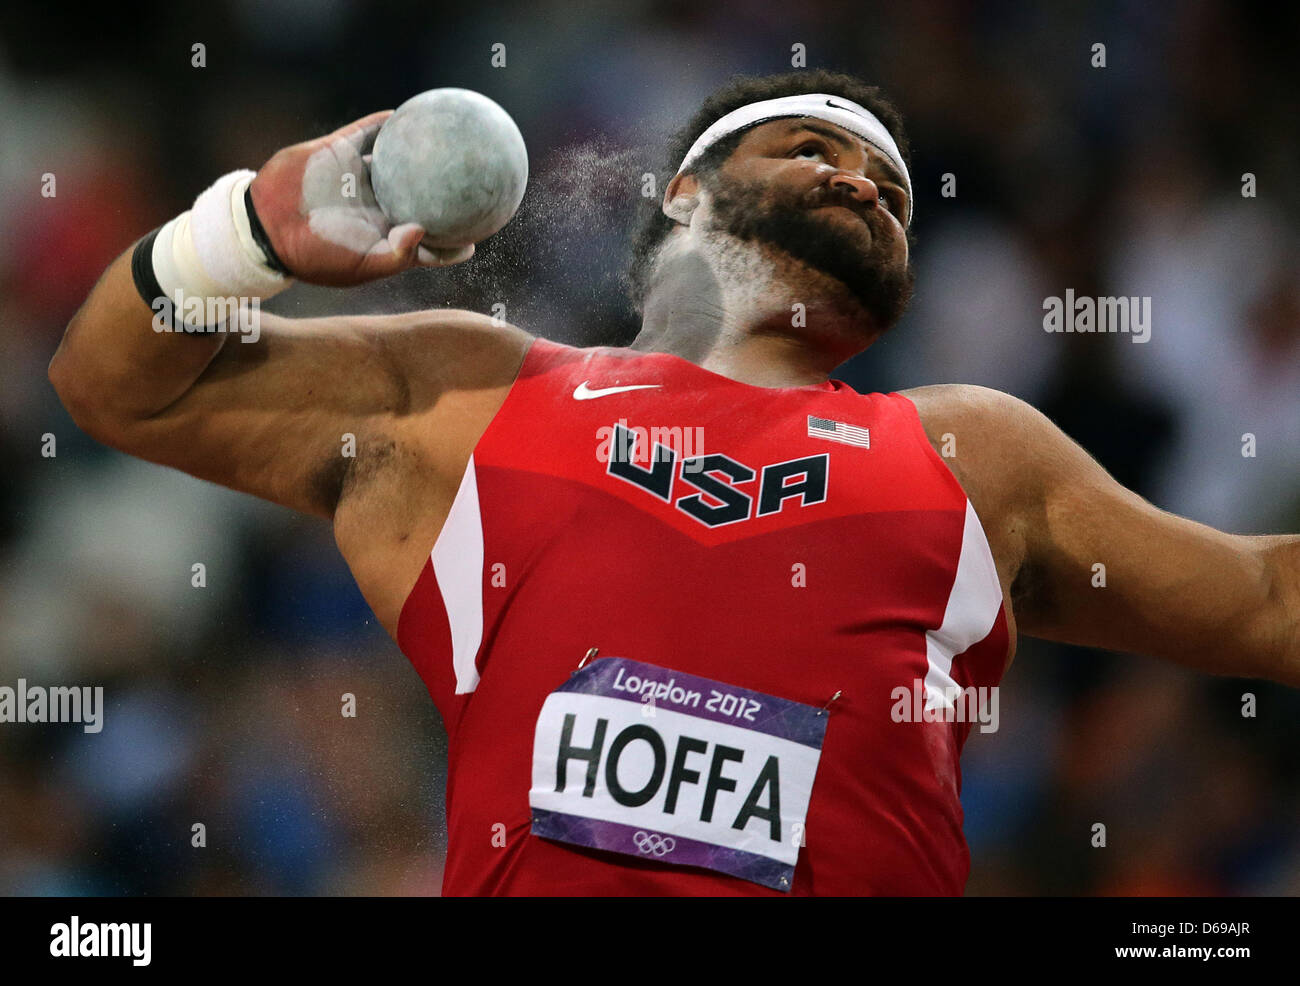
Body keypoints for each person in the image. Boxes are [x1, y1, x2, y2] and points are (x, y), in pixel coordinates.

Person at [48, 70, 1298, 896]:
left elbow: (1263, 601)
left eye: (898, 198)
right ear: (687, 191)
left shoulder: (975, 450)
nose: (869, 183)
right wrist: (256, 228)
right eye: (816, 148)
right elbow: (118, 384)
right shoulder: (475, 393)